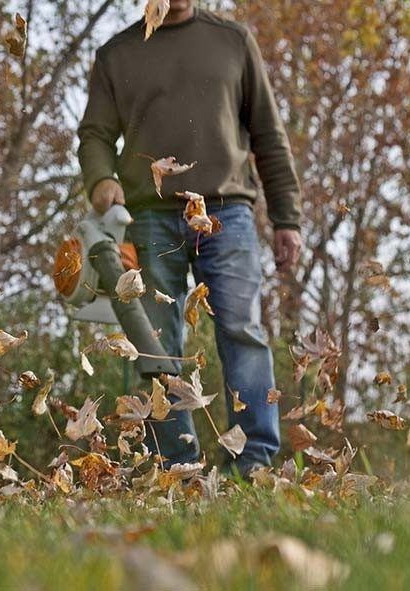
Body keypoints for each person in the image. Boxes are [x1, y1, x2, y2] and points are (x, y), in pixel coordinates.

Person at [77, 0, 303, 477]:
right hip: (148, 216)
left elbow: (268, 133)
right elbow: (94, 134)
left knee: (242, 330)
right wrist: (100, 180)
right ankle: (178, 463)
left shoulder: (233, 41)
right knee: (156, 340)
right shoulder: (116, 54)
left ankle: (254, 461)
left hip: (227, 213)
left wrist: (287, 218)